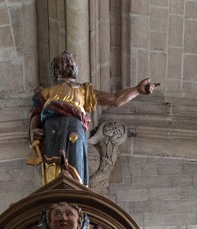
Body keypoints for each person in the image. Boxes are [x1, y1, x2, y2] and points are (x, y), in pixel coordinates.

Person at [29, 53, 158, 186]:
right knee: (53, 169)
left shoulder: (84, 91)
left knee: (75, 168)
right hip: (52, 131)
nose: (68, 64)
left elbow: (115, 100)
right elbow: (35, 114)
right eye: (63, 61)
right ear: (56, 68)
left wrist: (137, 90)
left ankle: (76, 197)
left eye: (71, 62)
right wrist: (34, 132)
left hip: (75, 130)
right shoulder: (45, 91)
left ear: (76, 67)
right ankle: (54, 198)